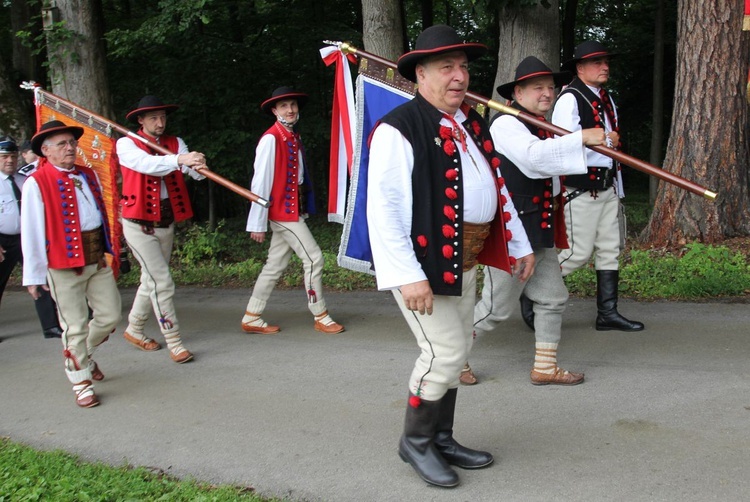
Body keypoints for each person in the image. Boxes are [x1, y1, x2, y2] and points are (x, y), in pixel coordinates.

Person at [366, 25, 534, 488]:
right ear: (420, 75)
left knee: (458, 354)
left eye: (463, 67)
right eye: (447, 67)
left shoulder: (473, 123)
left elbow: (497, 189)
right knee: (442, 353)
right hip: (425, 267)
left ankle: (441, 436)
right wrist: (406, 275)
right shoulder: (398, 129)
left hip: (468, 259)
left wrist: (517, 243)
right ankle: (414, 442)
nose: (459, 76)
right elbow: (383, 210)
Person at [471, 56, 609, 386]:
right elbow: (535, 160)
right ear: (518, 91)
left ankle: (545, 367)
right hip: (513, 232)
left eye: (550, 87)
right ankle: (452, 356)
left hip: (539, 227)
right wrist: (580, 139)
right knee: (495, 308)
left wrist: (591, 142)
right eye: (538, 88)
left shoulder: (543, 126)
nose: (547, 93)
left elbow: (556, 168)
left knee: (552, 298)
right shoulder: (506, 124)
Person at [21, 120, 122, 408]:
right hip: (62, 265)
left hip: (95, 258)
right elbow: (32, 230)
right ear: (45, 150)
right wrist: (34, 275)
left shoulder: (87, 174)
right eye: (62, 143)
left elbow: (99, 213)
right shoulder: (36, 182)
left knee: (110, 316)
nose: (70, 148)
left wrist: (109, 248)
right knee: (74, 326)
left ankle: (82, 356)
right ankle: (80, 381)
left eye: (72, 142)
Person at [551, 41, 644, 332]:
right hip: (581, 189)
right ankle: (533, 298)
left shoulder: (605, 98)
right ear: (580, 68)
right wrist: (606, 141)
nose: (604, 66)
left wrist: (618, 186)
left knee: (609, 250)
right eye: (596, 62)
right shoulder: (570, 99)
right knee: (576, 253)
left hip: (606, 188)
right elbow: (563, 143)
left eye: (605, 61)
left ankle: (608, 313)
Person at [240, 86, 344, 335]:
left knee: (274, 265)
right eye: (284, 106)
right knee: (314, 258)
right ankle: (320, 314)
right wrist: (257, 222)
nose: (290, 110)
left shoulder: (292, 135)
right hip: (280, 211)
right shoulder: (270, 138)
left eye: (293, 105)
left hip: (292, 209)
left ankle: (252, 315)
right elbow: (260, 181)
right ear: (275, 110)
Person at [116, 95, 206, 363]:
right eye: (153, 117)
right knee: (162, 281)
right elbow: (148, 166)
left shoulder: (175, 143)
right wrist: (181, 160)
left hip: (165, 221)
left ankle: (134, 328)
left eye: (163, 117)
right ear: (140, 121)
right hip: (137, 224)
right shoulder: (126, 143)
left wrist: (199, 165)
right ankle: (174, 341)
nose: (160, 122)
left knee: (151, 280)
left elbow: (195, 172)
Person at [0, 136, 62, 341]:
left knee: (40, 277)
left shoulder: (25, 180)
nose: (10, 161)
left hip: (26, 238)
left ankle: (51, 326)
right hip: (3, 241)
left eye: (13, 156)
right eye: (5, 157)